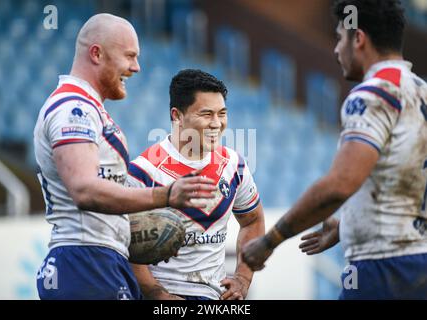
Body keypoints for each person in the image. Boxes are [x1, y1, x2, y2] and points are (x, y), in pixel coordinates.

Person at [242, 0, 427, 299]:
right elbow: (405, 182)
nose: (336, 49)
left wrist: (270, 241)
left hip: (382, 267)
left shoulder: (373, 94)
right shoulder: (421, 91)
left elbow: (339, 185)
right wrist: (348, 225)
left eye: (340, 37)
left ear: (359, 39)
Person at [33, 14, 216, 300]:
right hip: (86, 262)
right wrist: (164, 196)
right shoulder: (74, 109)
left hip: (99, 262)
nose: (136, 67)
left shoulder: (89, 109)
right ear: (97, 53)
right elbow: (84, 190)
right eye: (130, 56)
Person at [126, 69, 265, 300]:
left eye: (222, 113)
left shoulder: (233, 165)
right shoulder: (143, 171)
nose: (217, 123)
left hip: (213, 296)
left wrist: (243, 277)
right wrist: (158, 295)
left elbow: (253, 220)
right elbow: (125, 244)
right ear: (177, 115)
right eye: (206, 114)